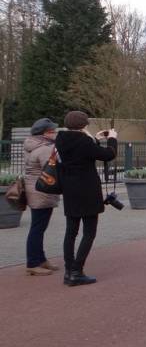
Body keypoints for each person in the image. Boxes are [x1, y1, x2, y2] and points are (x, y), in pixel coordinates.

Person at [55, 111, 117, 286]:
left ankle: (68, 271)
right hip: (87, 190)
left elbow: (84, 151)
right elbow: (107, 155)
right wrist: (112, 139)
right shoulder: (84, 141)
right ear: (84, 125)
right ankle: (77, 271)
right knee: (89, 232)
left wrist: (94, 138)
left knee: (71, 232)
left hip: (70, 189)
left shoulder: (61, 140)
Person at [23, 118, 61, 276]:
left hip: (34, 190)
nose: (55, 133)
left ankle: (41, 259)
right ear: (45, 133)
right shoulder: (45, 148)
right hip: (42, 191)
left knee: (38, 227)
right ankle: (32, 263)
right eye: (53, 131)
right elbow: (53, 169)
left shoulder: (31, 145)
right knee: (38, 228)